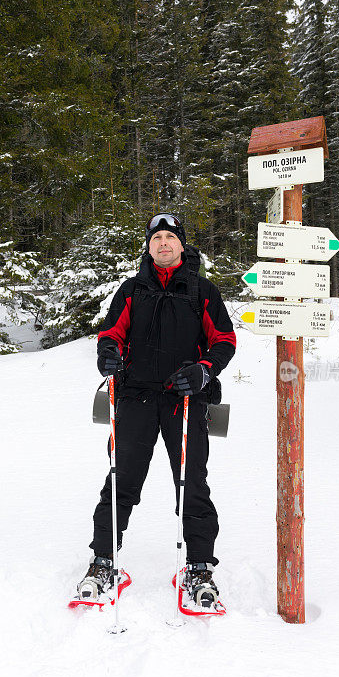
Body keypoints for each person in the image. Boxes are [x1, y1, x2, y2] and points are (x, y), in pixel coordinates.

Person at [76, 213, 236, 608]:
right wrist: (107, 352)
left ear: (182, 245)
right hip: (135, 399)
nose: (163, 243)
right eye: (156, 238)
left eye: (170, 237)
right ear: (148, 247)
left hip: (186, 399)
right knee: (122, 480)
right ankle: (103, 560)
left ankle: (198, 565)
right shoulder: (131, 290)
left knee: (192, 482)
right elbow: (110, 333)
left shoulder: (203, 291)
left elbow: (225, 340)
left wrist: (204, 370)